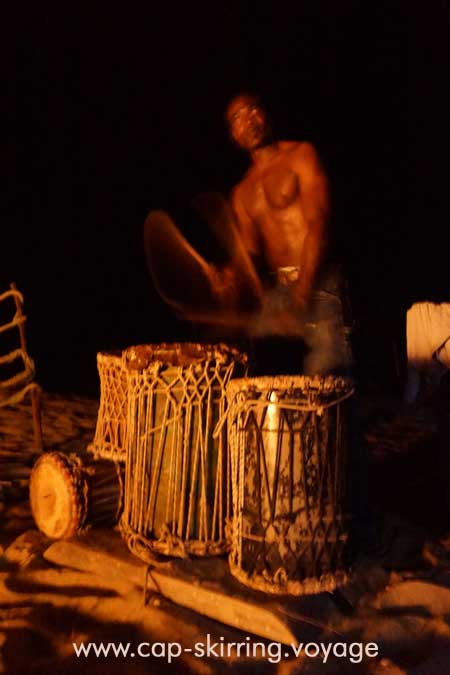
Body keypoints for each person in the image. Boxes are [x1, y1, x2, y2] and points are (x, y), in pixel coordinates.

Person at [144, 93, 352, 376]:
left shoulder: (302, 155)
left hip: (321, 282)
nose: (248, 121)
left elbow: (320, 224)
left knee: (326, 376)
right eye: (237, 119)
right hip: (278, 291)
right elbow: (250, 258)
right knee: (261, 375)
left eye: (253, 110)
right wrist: (229, 277)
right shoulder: (242, 193)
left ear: (266, 115)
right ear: (233, 135)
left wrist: (302, 297)